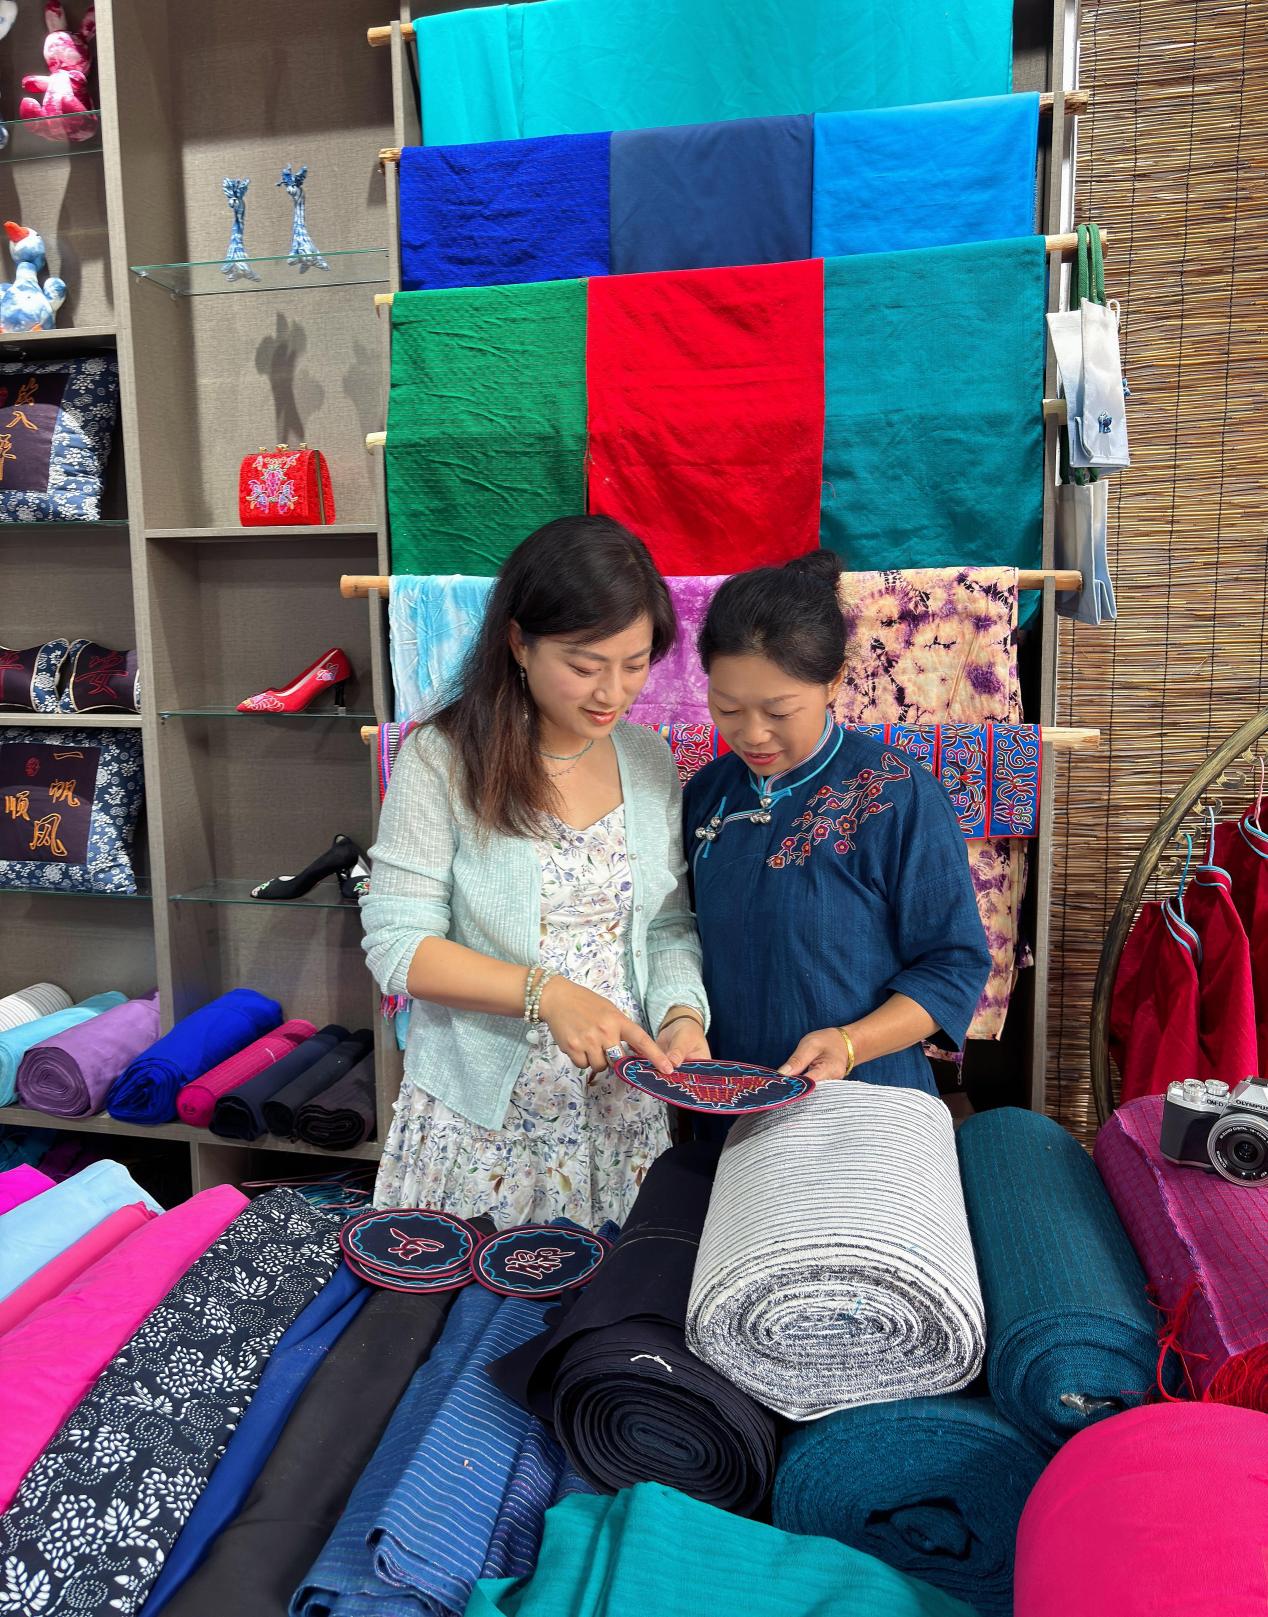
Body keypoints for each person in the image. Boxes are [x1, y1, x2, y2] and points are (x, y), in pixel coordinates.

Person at [361, 515, 711, 1226]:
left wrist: (681, 1014)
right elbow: (397, 945)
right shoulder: (443, 758)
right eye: (585, 666)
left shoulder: (649, 760)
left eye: (635, 664)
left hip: (620, 1111)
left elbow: (667, 926)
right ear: (519, 642)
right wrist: (543, 993)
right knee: (476, 1292)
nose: (612, 692)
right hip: (484, 1122)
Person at [684, 550, 990, 1094]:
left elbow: (953, 964)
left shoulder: (897, 794)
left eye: (778, 712)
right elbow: (676, 937)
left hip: (865, 1102)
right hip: (727, 1106)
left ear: (833, 682)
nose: (752, 734)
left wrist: (852, 1044)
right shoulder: (706, 794)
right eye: (727, 708)